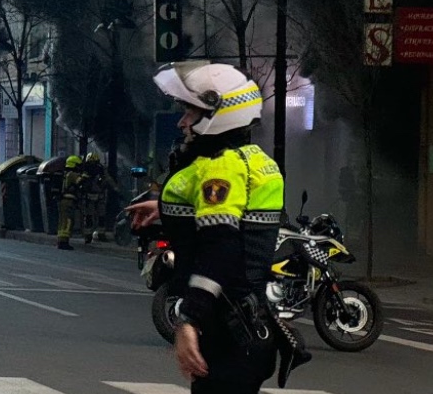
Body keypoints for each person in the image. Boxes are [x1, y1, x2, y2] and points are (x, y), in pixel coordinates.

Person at [126, 61, 308, 392]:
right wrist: (167, 211)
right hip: (247, 328)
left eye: (190, 114)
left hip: (228, 331)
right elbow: (237, 218)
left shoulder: (220, 168)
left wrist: (189, 320)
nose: (182, 123)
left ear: (218, 115)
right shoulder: (252, 159)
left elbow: (221, 247)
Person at [56, 155, 83, 250]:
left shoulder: (65, 174)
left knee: (62, 221)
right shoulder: (72, 174)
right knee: (68, 221)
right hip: (69, 201)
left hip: (63, 201)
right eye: (78, 165)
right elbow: (80, 182)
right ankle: (64, 242)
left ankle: (60, 241)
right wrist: (85, 176)